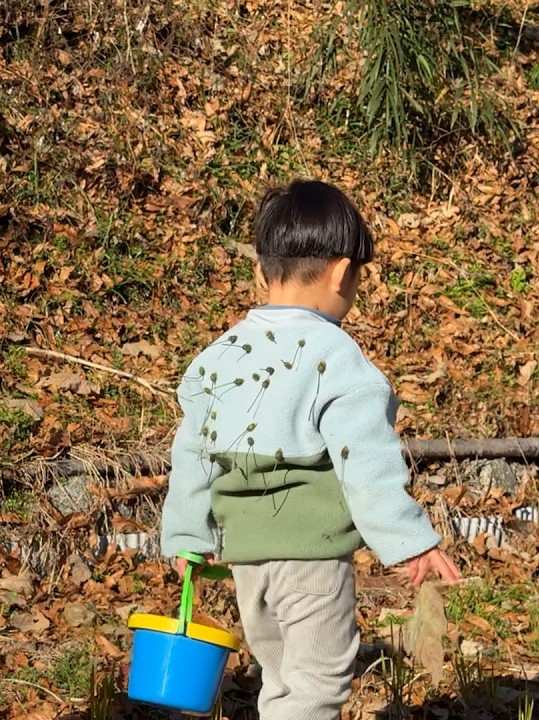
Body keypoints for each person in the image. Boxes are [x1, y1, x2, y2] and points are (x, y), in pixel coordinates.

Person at [159, 179, 461, 719]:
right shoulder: (337, 359)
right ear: (342, 272)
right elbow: (364, 462)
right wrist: (409, 539)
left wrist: (188, 536)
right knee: (318, 681)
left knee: (279, 677)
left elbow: (193, 455)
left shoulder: (217, 357)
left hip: (245, 557)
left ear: (260, 271)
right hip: (311, 557)